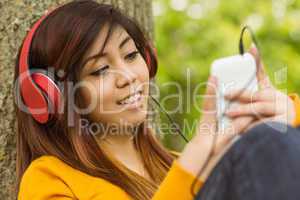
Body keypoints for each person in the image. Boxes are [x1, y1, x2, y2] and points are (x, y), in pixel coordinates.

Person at [14, 1, 300, 199]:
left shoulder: (178, 164)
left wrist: (290, 115)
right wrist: (194, 162)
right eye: (100, 69)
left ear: (148, 60)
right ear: (54, 97)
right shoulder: (50, 179)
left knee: (266, 139)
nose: (127, 75)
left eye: (130, 55)